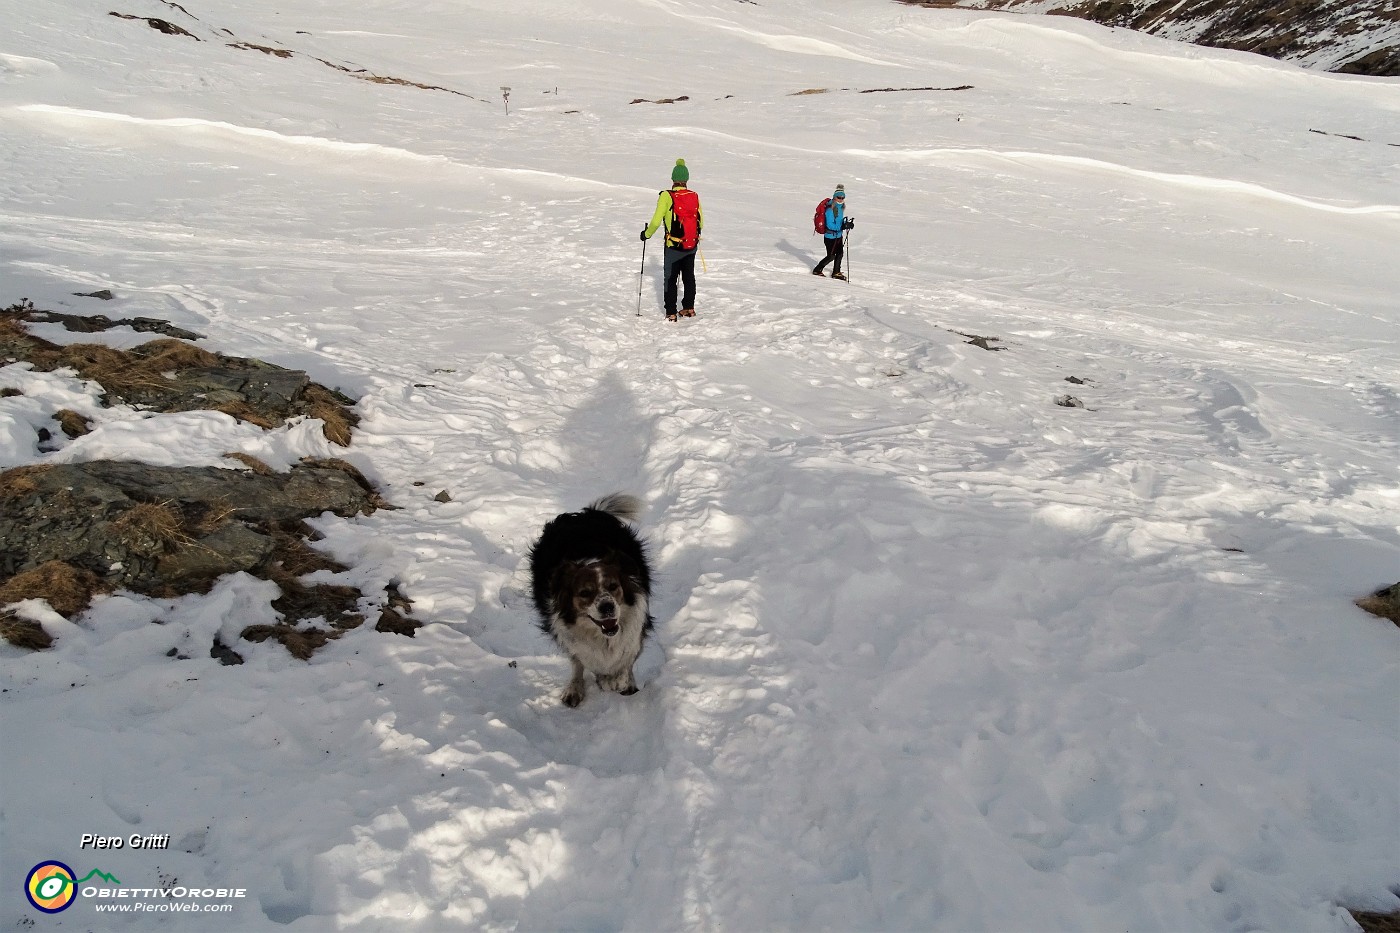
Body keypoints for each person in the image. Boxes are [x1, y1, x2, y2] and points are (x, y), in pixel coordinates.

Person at [641, 159, 703, 322]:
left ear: (673, 179)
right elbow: (700, 221)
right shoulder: (694, 196)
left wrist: (646, 234)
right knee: (688, 276)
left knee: (670, 277)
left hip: (673, 245)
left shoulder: (667, 196)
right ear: (686, 179)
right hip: (691, 245)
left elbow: (655, 221)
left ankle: (671, 312)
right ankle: (689, 308)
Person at [813, 184, 853, 280]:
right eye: (839, 197)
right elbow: (830, 225)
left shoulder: (839, 207)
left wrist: (846, 223)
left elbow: (838, 221)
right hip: (830, 237)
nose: (841, 199)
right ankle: (817, 270)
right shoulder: (830, 209)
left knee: (839, 254)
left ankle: (836, 272)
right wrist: (842, 226)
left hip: (838, 235)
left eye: (843, 197)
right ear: (835, 197)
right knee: (831, 256)